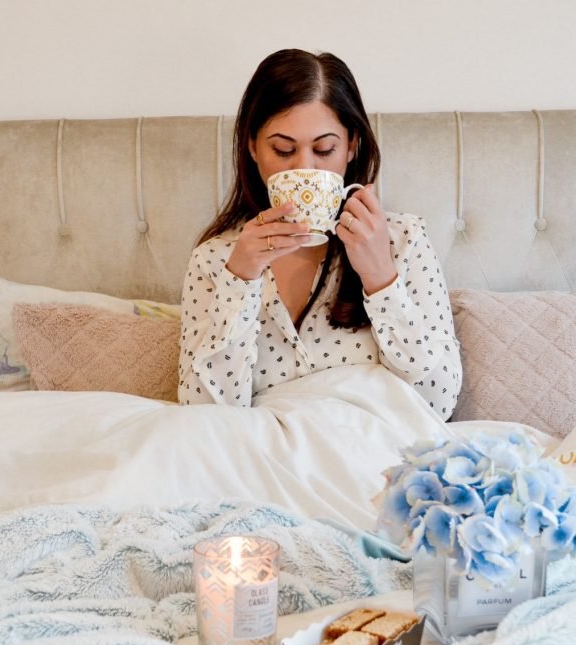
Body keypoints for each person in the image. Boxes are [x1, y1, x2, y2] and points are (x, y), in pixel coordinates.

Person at [177, 49, 461, 419]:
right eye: (283, 150)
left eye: (325, 149)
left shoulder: (403, 240)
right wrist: (240, 280)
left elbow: (438, 402)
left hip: (372, 462)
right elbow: (200, 416)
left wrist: (380, 277)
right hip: (262, 464)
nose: (304, 168)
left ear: (351, 145)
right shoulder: (216, 261)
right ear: (252, 147)